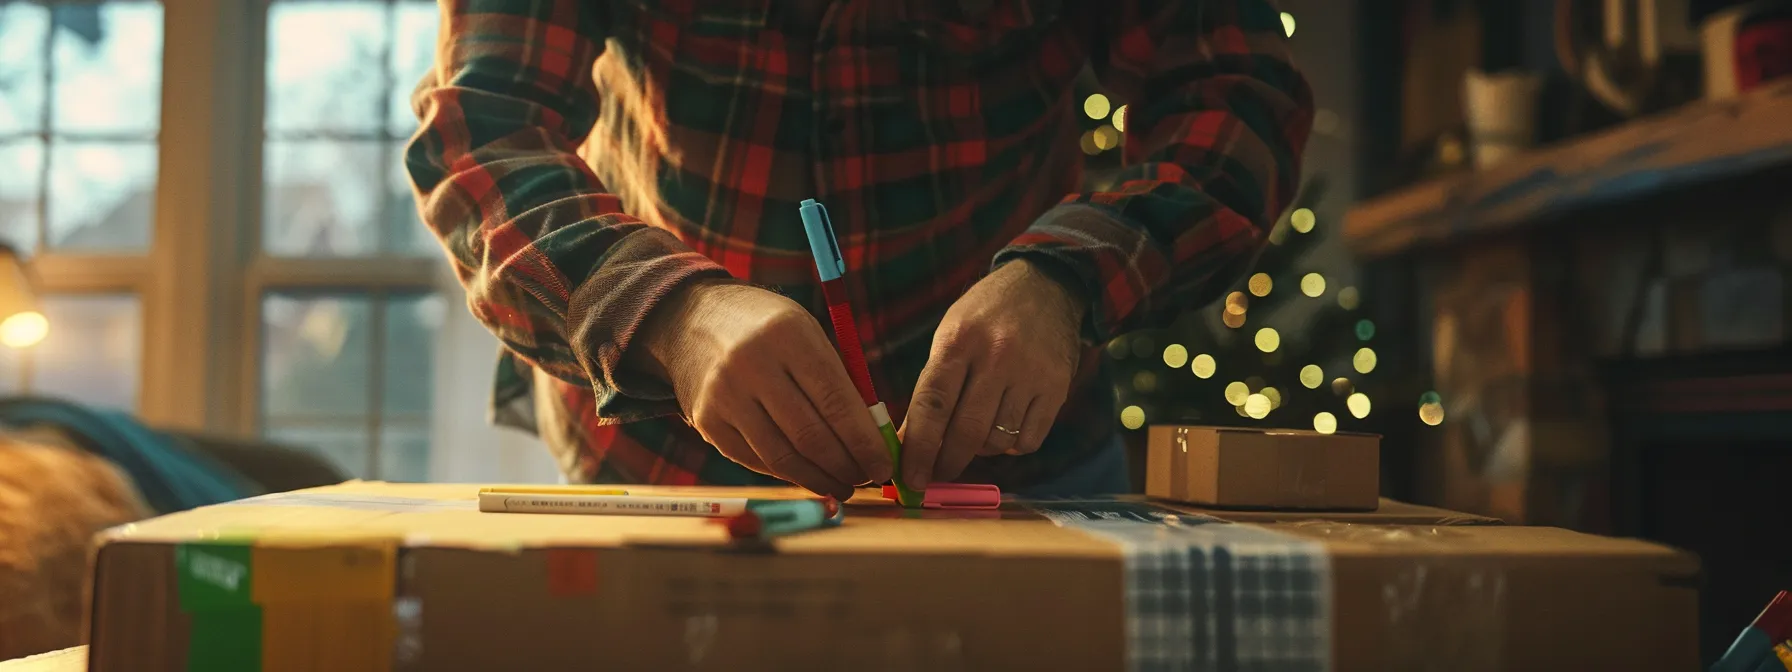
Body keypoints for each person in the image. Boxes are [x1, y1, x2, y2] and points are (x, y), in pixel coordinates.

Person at [406, 0, 1312, 501]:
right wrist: (668, 311)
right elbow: (483, 131)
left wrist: (1069, 276)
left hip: (1017, 466)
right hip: (662, 459)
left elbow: (1237, 97)